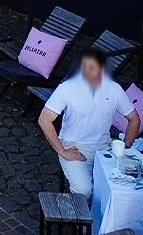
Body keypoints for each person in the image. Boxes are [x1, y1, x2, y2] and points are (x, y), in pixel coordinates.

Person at [39, 47, 140, 198]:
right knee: (84, 191)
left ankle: (105, 220)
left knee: (122, 188)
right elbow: (44, 119)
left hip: (104, 150)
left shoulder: (114, 89)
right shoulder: (67, 89)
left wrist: (125, 147)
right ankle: (82, 220)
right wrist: (62, 150)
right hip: (74, 147)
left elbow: (134, 119)